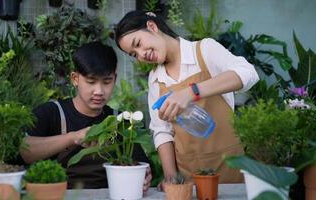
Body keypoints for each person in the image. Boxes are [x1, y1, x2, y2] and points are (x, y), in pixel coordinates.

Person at [114, 11, 259, 187]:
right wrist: (170, 176)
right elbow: (162, 130)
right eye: (134, 54)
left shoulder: (204, 50)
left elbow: (248, 73)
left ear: (152, 26)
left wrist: (191, 92)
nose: (141, 55)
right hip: (188, 175)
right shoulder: (155, 79)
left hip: (230, 165)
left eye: (138, 44)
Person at [20, 42, 152, 191]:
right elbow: (25, 151)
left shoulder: (121, 120)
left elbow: (142, 166)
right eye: (91, 82)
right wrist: (72, 138)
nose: (99, 91)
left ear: (114, 79)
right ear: (75, 79)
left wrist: (144, 177)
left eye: (107, 82)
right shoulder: (52, 112)